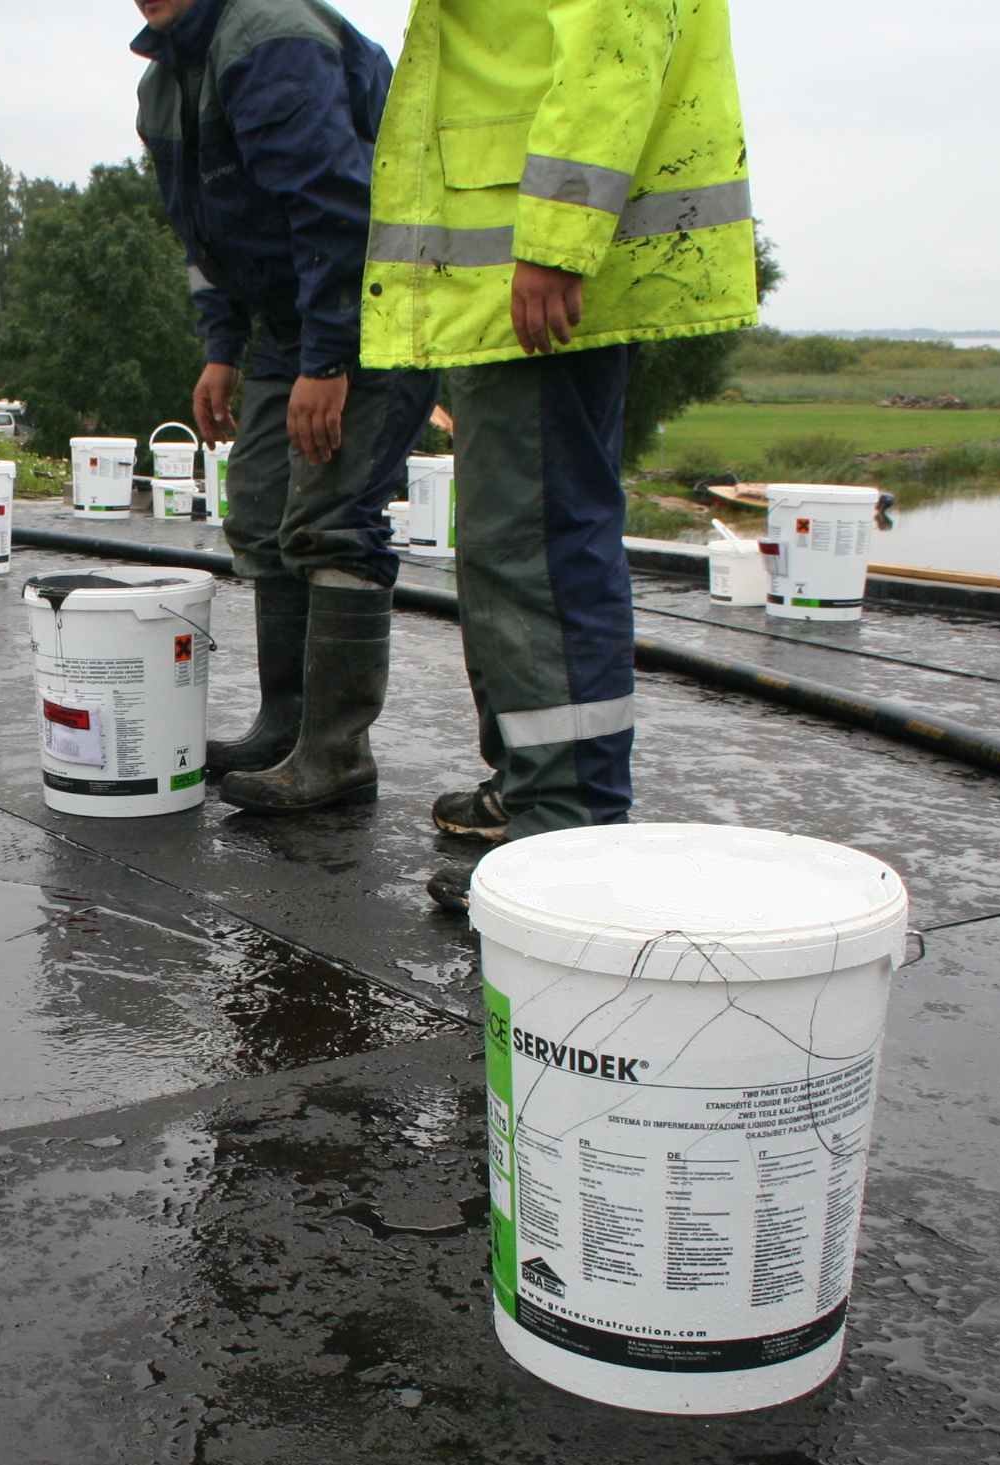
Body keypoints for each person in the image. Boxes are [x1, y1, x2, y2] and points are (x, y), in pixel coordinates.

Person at [357, 0, 756, 909]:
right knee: (508, 544)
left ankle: (567, 825)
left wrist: (558, 235)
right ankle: (533, 786)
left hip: (534, 265)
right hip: (502, 270)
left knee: (537, 542)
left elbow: (615, 40)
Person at [133, 0, 438, 815]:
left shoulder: (270, 36)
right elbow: (202, 238)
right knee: (263, 516)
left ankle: (337, 754)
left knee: (330, 519)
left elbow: (335, 202)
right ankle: (287, 725)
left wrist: (330, 357)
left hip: (372, 302)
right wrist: (221, 348)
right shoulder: (163, 86)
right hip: (280, 321)